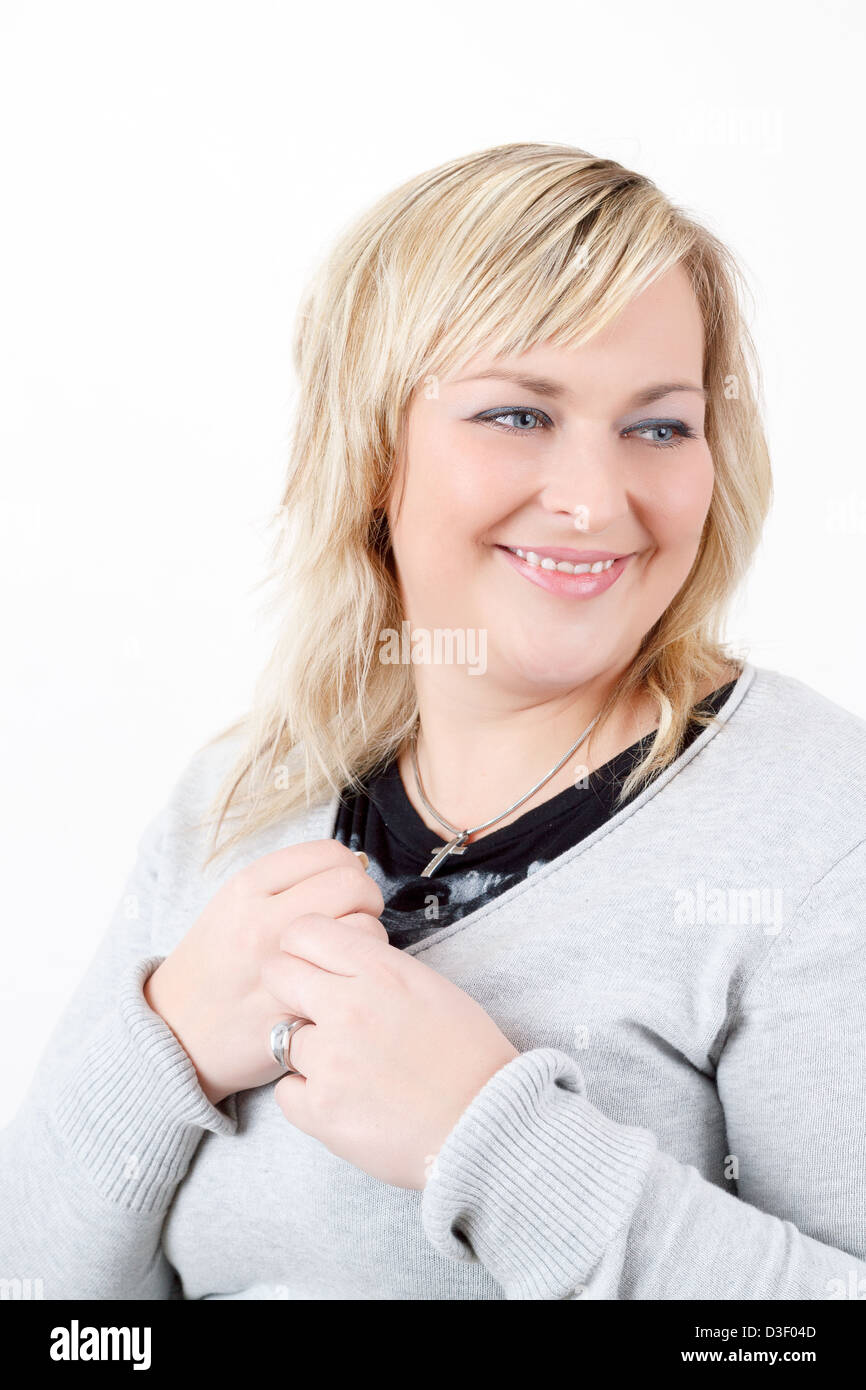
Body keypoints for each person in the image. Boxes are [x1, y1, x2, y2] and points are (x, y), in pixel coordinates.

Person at [2, 141, 864, 1301]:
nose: (593, 500)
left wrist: (494, 1143)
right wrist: (166, 1042)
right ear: (370, 452)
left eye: (657, 426)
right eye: (517, 413)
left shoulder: (818, 829)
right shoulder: (238, 794)